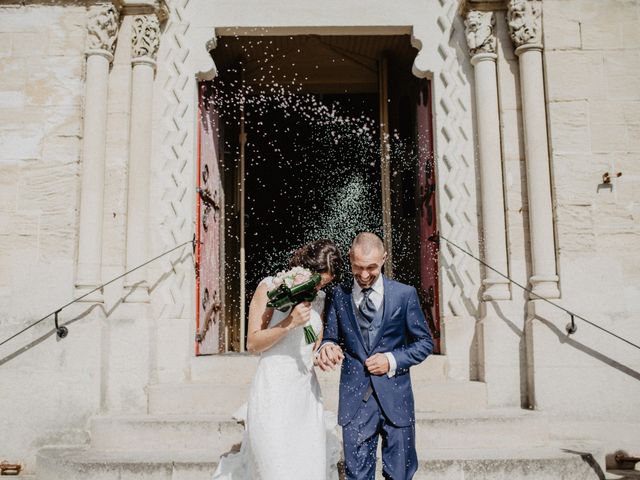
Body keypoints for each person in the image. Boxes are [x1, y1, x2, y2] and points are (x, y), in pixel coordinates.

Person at [213, 239, 342, 480]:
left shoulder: (320, 299)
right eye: (317, 281)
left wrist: (322, 355)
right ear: (306, 269)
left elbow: (310, 343)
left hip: (305, 395)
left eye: (324, 284)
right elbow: (253, 344)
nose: (317, 289)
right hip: (273, 390)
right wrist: (288, 323)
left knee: (308, 468)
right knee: (275, 466)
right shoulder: (270, 287)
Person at [316, 232, 434, 480]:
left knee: (400, 474)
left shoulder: (405, 294)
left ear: (384, 258)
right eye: (358, 267)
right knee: (357, 475)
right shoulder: (339, 295)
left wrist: (391, 359)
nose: (365, 274)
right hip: (355, 402)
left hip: (396, 400)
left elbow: (424, 343)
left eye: (372, 267)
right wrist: (327, 346)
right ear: (350, 259)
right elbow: (330, 336)